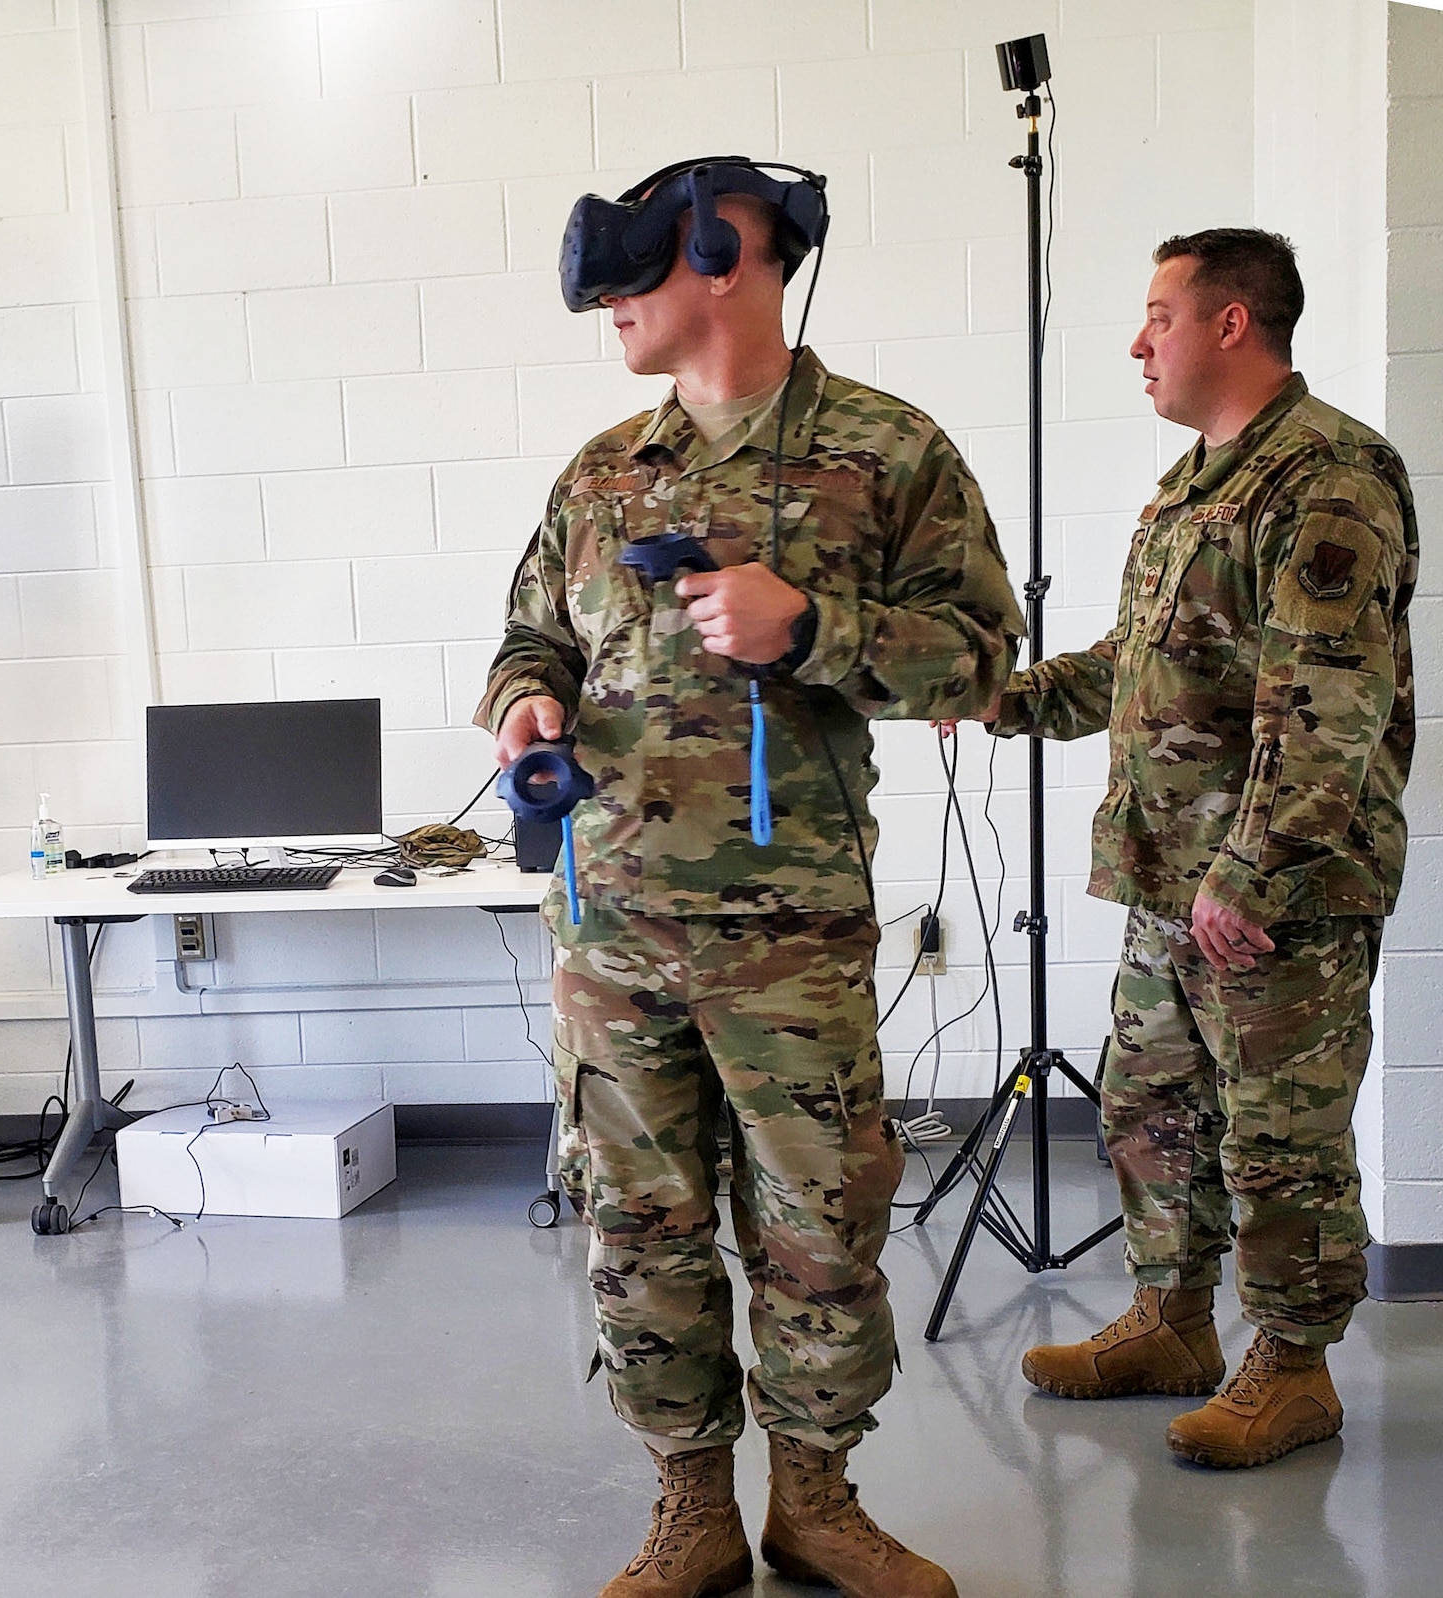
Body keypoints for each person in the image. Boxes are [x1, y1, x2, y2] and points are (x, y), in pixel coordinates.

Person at [477, 159, 1021, 1598]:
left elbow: (980, 659)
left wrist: (813, 625)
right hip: (610, 931)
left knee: (819, 1224)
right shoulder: (602, 472)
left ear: (726, 253)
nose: (609, 308)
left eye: (632, 276)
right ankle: (690, 1508)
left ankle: (819, 1502)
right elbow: (530, 637)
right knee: (637, 1229)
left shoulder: (887, 452)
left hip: (789, 939)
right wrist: (526, 701)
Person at [978, 228, 1417, 1469]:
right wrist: (1002, 696)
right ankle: (1171, 1321)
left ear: (1232, 324)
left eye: (1157, 315)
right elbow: (1138, 666)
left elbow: (1325, 697)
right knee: (1150, 1106)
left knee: (1278, 1132)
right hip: (1167, 876)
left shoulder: (1325, 476)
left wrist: (1250, 869)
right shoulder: (1189, 486)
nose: (1136, 340)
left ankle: (1292, 1367)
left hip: (1271, 891)